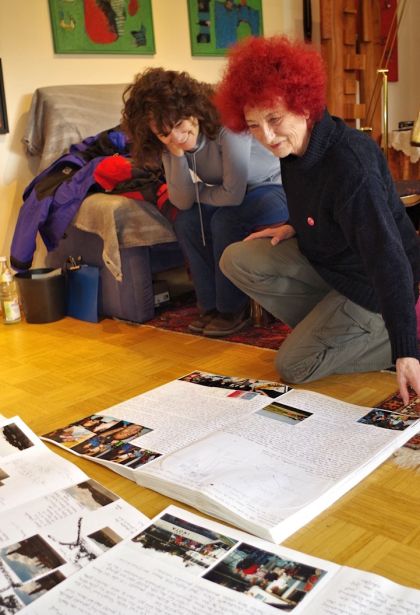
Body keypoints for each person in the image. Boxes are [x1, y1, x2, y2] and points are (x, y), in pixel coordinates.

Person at [214, 35, 420, 404]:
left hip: (373, 285)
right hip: (332, 268)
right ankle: (335, 328)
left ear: (303, 104)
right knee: (237, 258)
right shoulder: (294, 148)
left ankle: (390, 338)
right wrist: (295, 223)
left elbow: (388, 258)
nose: (267, 136)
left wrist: (408, 348)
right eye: (254, 125)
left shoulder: (350, 165)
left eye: (274, 119)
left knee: (295, 365)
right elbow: (318, 198)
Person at [122, 67, 288, 337]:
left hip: (274, 189)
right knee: (187, 221)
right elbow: (183, 202)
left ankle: (232, 309)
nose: (175, 137)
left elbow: (231, 194)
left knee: (225, 219)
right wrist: (175, 155)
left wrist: (198, 190)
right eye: (164, 133)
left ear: (193, 110)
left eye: (178, 125)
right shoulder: (170, 143)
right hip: (238, 194)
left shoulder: (228, 128)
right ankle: (210, 306)